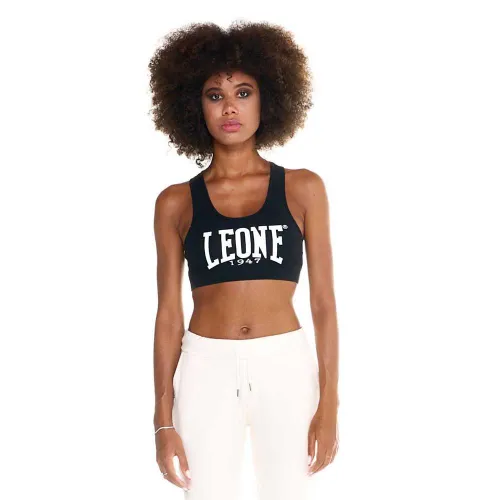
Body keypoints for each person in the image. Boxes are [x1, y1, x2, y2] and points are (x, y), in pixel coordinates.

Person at [149, 20, 339, 500]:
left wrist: (330, 405)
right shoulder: (175, 202)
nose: (229, 107)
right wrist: (162, 420)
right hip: (205, 367)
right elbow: (169, 315)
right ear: (194, 106)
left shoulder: (303, 188)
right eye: (214, 95)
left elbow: (324, 304)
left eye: (243, 92)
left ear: (267, 99)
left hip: (285, 364)